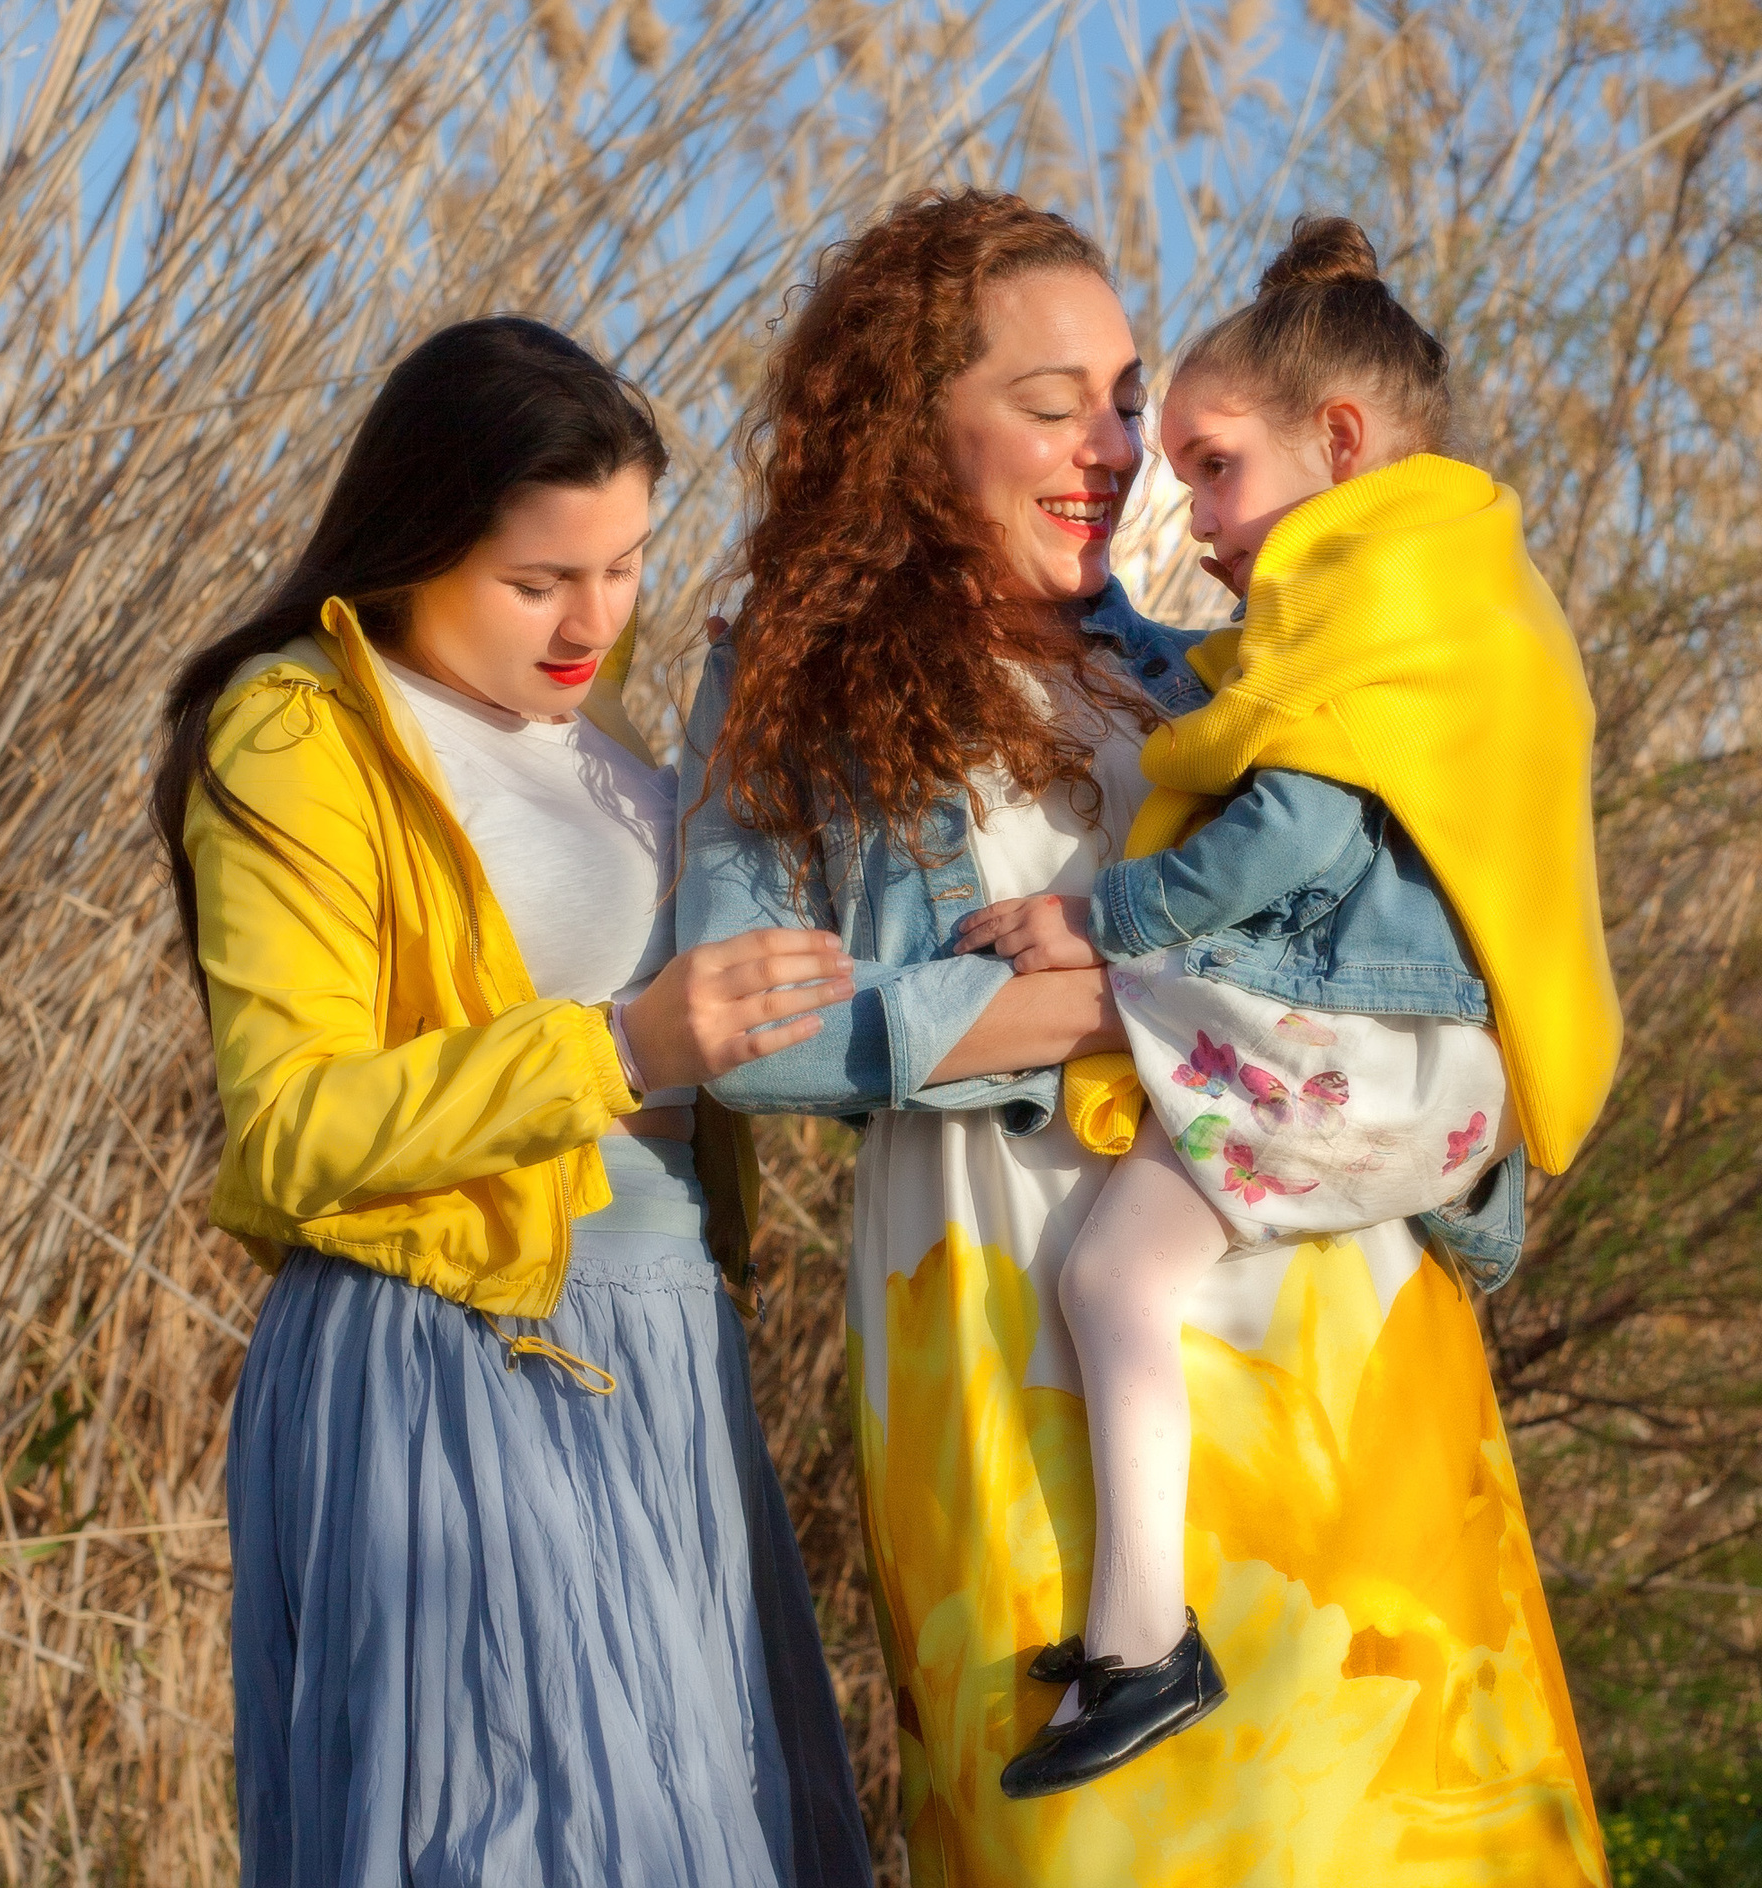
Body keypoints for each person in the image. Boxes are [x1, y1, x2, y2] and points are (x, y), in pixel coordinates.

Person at [677, 189, 1607, 1881]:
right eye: (1057, 405)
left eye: (1126, 402)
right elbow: (744, 1033)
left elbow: (1437, 958)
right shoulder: (785, 682)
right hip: (1009, 1330)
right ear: (902, 431)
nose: (1120, 454)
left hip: (1327, 1337)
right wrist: (1118, 1010)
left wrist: (1150, 1003)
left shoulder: (1222, 673)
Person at [153, 315, 877, 1888]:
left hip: (668, 1344)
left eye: (620, 568)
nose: (590, 620)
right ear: (418, 541)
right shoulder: (300, 726)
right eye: (538, 580)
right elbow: (288, 1130)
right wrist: (618, 1051)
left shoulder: (603, 743)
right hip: (454, 1352)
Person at [948, 216, 1620, 1796]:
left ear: (1336, 440)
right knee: (1128, 1265)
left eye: (1213, 466)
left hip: (1376, 1042)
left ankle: (1141, 1639)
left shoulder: (1380, 601)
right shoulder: (1443, 583)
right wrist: (1100, 633)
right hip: (1421, 1059)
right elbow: (1229, 703)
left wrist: (1089, 922)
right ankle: (1132, 1625)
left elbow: (1297, 825)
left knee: (1112, 1277)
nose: (1186, 507)